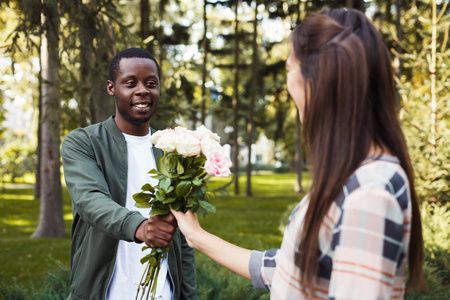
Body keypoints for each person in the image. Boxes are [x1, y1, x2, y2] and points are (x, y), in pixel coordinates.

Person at [170, 10, 424, 299]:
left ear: (318, 80)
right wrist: (197, 237)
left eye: (290, 68)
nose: (288, 83)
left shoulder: (368, 197)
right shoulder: (357, 178)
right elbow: (294, 271)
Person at [61, 48, 198, 300]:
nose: (142, 90)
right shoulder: (83, 142)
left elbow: (183, 239)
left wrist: (188, 296)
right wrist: (141, 227)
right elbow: (90, 199)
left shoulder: (171, 151)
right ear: (112, 88)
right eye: (130, 83)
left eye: (151, 83)